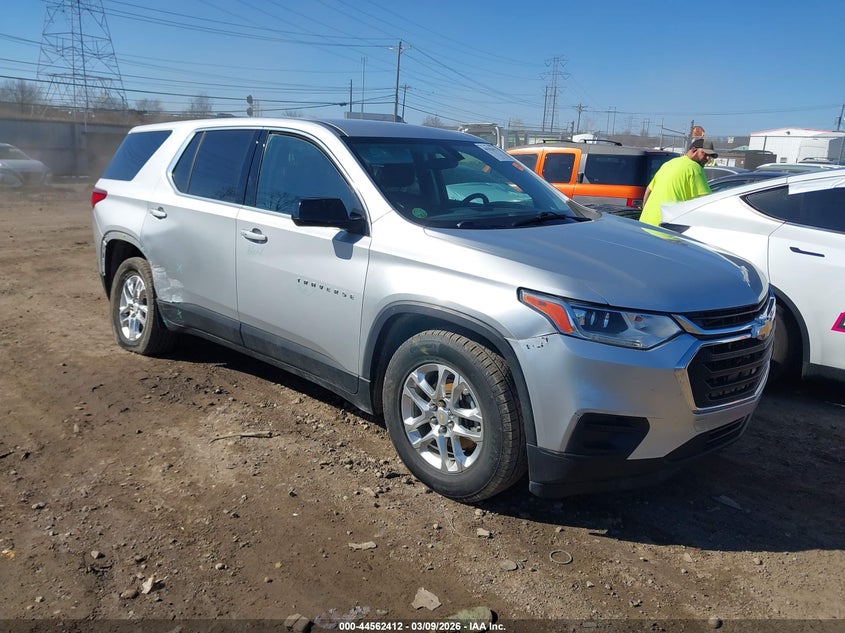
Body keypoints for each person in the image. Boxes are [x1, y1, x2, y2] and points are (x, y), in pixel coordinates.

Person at [638, 138, 717, 226]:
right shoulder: (695, 168)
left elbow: (648, 190)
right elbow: (706, 201)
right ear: (693, 150)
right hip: (667, 229)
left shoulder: (668, 164)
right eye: (705, 153)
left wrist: (646, 212)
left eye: (710, 156)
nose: (708, 158)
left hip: (645, 223)